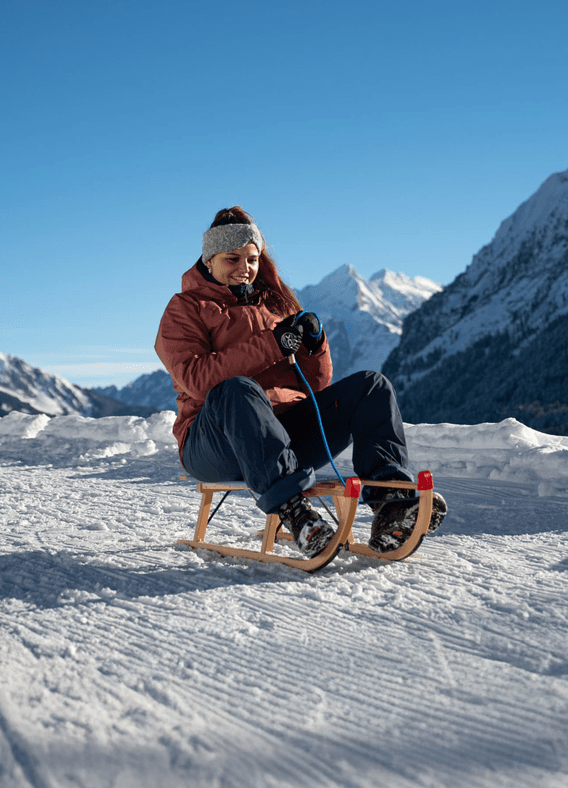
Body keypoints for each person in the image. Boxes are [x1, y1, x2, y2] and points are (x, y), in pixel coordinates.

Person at [155, 206, 446, 558]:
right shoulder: (184, 309)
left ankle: (392, 504)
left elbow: (316, 385)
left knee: (371, 386)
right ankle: (296, 513)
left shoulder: (274, 305)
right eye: (232, 259)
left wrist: (314, 344)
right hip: (214, 442)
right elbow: (196, 380)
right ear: (210, 259)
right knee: (238, 389)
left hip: (284, 437)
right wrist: (272, 343)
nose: (244, 269)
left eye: (252, 259)